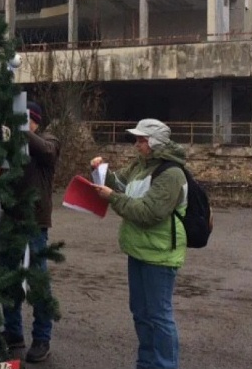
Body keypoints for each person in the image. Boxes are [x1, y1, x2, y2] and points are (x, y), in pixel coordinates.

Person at [89, 118, 188, 369]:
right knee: (142, 314)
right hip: (139, 251)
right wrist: (101, 172)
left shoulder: (172, 174)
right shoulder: (140, 166)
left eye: (141, 140)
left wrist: (113, 198)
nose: (136, 145)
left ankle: (165, 365)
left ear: (154, 143)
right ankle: (146, 363)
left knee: (159, 317)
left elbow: (148, 213)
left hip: (160, 255)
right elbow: (119, 184)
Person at [1, 101, 61, 363]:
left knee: (38, 282)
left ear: (34, 121)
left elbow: (47, 151)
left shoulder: (49, 140)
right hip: (8, 220)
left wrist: (19, 128)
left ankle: (42, 338)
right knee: (8, 278)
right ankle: (13, 335)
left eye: (26, 121)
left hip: (35, 223)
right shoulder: (11, 145)